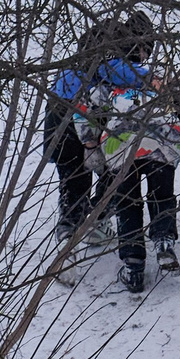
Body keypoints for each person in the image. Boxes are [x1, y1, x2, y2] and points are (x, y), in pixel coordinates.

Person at [70, 12, 180, 293]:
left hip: (121, 146)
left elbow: (84, 109)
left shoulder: (108, 76)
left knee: (128, 202)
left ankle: (133, 265)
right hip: (162, 143)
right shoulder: (161, 77)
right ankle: (163, 241)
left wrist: (89, 144)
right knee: (162, 195)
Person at [46, 15, 128, 249]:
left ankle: (69, 227)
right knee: (111, 169)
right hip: (84, 116)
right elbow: (122, 73)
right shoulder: (109, 58)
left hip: (57, 116)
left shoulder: (76, 60)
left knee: (72, 176)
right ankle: (96, 222)